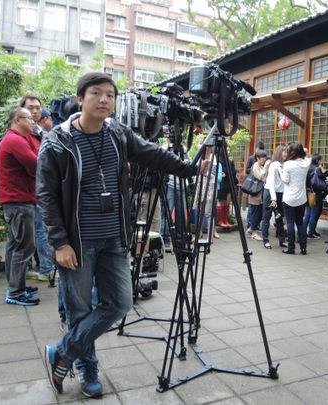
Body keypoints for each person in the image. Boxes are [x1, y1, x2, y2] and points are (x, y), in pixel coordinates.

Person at [37, 73, 199, 398]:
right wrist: (60, 243)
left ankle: (62, 352)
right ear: (80, 99)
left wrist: (189, 168)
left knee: (121, 302)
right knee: (79, 310)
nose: (104, 100)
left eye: (110, 95)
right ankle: (88, 371)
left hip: (114, 238)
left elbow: (152, 153)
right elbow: (46, 196)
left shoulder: (118, 133)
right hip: (78, 243)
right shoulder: (57, 141)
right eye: (96, 93)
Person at [0, 107, 41, 305]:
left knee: (15, 244)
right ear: (17, 119)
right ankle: (15, 292)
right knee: (25, 246)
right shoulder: (15, 140)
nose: (33, 121)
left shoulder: (17, 138)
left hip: (15, 200)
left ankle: (16, 285)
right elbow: (36, 165)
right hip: (19, 200)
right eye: (29, 118)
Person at [20, 95, 56, 282]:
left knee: (36, 230)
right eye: (30, 108)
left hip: (40, 189)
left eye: (38, 108)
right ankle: (46, 268)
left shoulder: (39, 132)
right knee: (39, 230)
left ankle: (35, 267)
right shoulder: (23, 134)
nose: (35, 111)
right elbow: (36, 163)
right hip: (28, 191)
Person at [280, 142, 310, 255]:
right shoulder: (306, 163)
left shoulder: (288, 164)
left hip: (289, 198)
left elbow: (286, 180)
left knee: (290, 223)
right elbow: (308, 156)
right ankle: (303, 248)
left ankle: (291, 248)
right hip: (301, 198)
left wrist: (280, 171)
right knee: (300, 223)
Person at [261, 145, 287, 249]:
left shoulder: (284, 164)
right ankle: (265, 240)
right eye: (284, 152)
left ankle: (282, 240)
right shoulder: (274, 165)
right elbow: (271, 183)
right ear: (279, 153)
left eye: (287, 152)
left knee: (280, 218)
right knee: (266, 217)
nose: (286, 154)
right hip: (270, 193)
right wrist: (273, 199)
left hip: (280, 194)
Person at [304, 154, 328, 239]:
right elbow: (324, 176)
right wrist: (323, 170)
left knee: (307, 214)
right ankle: (310, 233)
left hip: (308, 192)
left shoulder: (308, 168)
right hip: (317, 193)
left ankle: (303, 232)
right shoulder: (317, 169)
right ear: (317, 160)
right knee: (314, 214)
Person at [247, 150, 269, 240]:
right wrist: (266, 168)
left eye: (265, 158)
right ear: (257, 158)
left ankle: (251, 229)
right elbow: (259, 177)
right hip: (255, 194)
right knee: (255, 214)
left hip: (260, 194)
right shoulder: (255, 166)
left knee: (259, 213)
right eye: (262, 158)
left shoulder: (261, 166)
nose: (264, 160)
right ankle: (254, 233)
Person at [216, 147, 238, 229]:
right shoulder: (219, 161)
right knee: (221, 201)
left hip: (229, 184)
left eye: (229, 150)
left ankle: (225, 220)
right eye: (227, 150)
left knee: (227, 202)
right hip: (222, 184)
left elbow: (233, 172)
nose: (228, 152)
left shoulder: (230, 161)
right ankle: (220, 221)